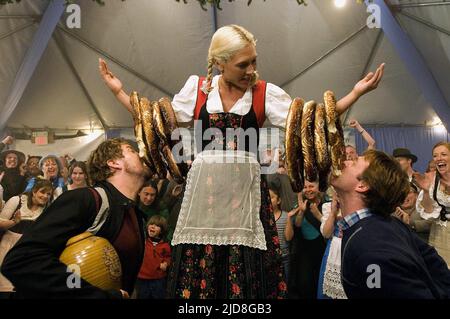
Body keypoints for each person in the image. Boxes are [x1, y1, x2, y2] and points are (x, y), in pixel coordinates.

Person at [99, 24, 384, 299]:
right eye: (243, 64)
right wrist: (118, 92)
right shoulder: (198, 89)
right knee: (202, 268)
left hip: (245, 198)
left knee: (247, 266)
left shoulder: (264, 93)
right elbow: (156, 123)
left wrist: (355, 93)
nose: (251, 71)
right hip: (205, 199)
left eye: (253, 62)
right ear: (220, 63)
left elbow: (312, 122)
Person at [1, 138, 150, 298]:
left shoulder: (134, 212)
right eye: (132, 150)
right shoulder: (86, 199)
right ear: (114, 163)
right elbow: (23, 261)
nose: (141, 154)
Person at [333, 150, 450, 298]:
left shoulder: (372, 251)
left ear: (362, 185)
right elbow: (432, 259)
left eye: (354, 162)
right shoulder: (392, 223)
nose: (345, 162)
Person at [0, 179, 53, 298]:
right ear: (34, 191)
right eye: (42, 192)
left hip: (29, 252)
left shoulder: (47, 209)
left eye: (48, 194)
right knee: (5, 289)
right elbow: (1, 223)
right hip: (8, 247)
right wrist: (14, 222)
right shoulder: (17, 201)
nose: (45, 196)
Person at [285, 180, 326, 299]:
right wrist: (302, 211)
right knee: (304, 283)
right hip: (305, 250)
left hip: (322, 249)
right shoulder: (300, 204)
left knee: (320, 281)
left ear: (318, 187)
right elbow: (297, 225)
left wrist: (317, 214)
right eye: (305, 187)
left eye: (311, 186)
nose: (308, 189)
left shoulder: (326, 204)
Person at [413, 142, 450, 267]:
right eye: (435, 156)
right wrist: (426, 190)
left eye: (443, 154)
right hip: (441, 233)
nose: (438, 158)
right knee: (443, 271)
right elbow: (429, 213)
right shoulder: (432, 180)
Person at [317, 192, 347, 299]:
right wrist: (333, 212)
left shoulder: (357, 206)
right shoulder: (328, 206)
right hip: (333, 251)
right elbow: (326, 233)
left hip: (350, 249)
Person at [136, 215, 171, 299]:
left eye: (157, 225)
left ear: (162, 231)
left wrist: (166, 263)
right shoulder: (143, 241)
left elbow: (168, 257)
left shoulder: (165, 245)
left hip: (158, 278)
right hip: (142, 277)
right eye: (151, 224)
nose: (153, 226)